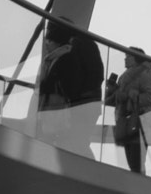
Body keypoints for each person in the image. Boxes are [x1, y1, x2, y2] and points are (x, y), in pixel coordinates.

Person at [34, 16, 104, 157]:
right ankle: (88, 172)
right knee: (78, 144)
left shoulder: (70, 51)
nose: (47, 43)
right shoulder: (88, 45)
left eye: (50, 39)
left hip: (78, 105)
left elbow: (71, 82)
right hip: (89, 103)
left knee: (72, 144)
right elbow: (97, 76)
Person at [104, 47, 151, 174]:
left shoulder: (146, 74)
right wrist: (113, 93)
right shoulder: (125, 76)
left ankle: (140, 188)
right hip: (127, 121)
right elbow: (119, 98)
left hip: (140, 121)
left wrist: (127, 95)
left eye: (128, 56)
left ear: (135, 58)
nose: (125, 59)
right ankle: (139, 188)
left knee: (136, 162)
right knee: (133, 163)